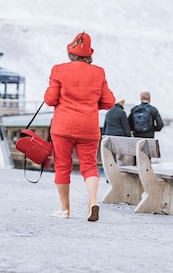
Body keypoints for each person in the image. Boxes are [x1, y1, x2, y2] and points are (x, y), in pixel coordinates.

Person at [44, 31, 115, 222]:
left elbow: (50, 100)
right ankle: (92, 201)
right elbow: (109, 102)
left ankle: (65, 209)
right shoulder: (98, 72)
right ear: (89, 54)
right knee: (89, 166)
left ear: (70, 52)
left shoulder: (58, 70)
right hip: (88, 128)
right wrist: (91, 105)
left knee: (62, 165)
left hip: (63, 127)